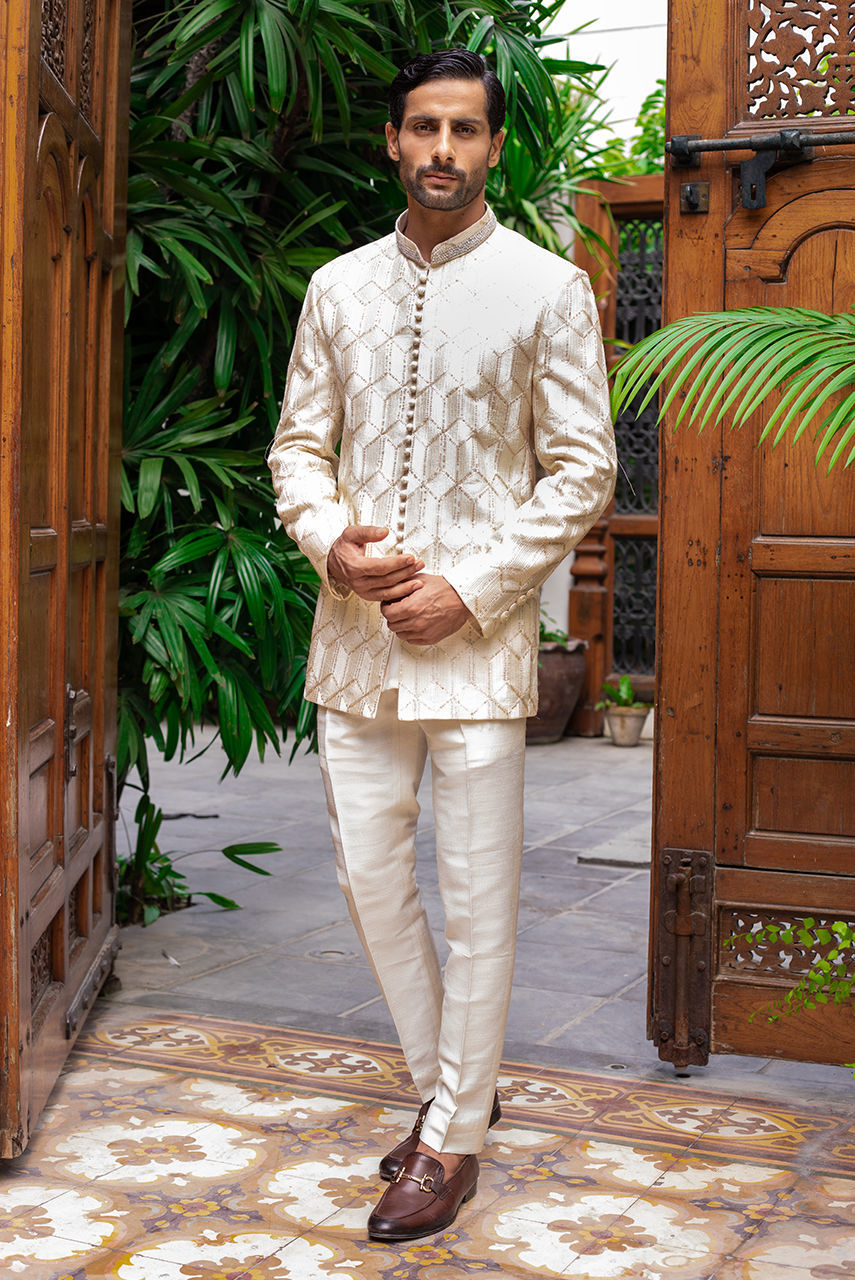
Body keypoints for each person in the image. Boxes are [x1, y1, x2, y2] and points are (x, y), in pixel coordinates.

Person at [267, 48, 616, 1242]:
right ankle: (453, 1091)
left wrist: (470, 589)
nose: (443, 150)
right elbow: (297, 449)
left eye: (466, 130)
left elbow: (584, 468)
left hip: (477, 647)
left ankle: (450, 1139)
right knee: (370, 881)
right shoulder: (337, 288)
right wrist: (332, 545)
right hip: (358, 639)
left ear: (494, 146)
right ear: (393, 139)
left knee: (478, 897)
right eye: (424, 127)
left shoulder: (546, 288)